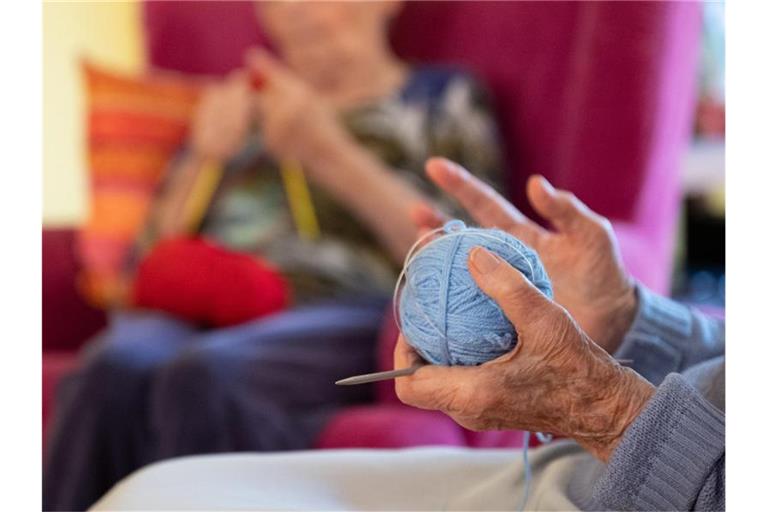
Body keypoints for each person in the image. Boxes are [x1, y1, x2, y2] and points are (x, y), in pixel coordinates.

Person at [43, 2, 503, 510]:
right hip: (208, 300)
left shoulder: (442, 97)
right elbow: (142, 266)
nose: (295, 13)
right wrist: (204, 155)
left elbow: (469, 263)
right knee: (112, 368)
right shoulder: (243, 110)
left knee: (205, 374)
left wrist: (326, 152)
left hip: (339, 305)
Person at [91, 158, 723, 511]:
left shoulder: (438, 95)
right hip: (600, 466)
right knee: (125, 408)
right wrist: (628, 323)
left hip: (645, 484)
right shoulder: (243, 125)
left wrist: (609, 411)